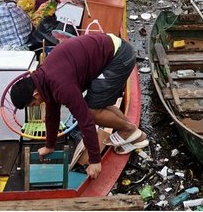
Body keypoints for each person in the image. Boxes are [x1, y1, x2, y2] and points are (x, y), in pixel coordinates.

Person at [10, 33, 147, 180]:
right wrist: (49, 145)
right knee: (98, 103)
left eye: (33, 104)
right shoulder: (43, 79)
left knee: (91, 111)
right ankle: (135, 133)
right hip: (110, 52)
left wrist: (95, 160)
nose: (36, 105)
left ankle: (128, 130)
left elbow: (85, 120)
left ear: (36, 94)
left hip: (119, 57)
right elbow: (52, 113)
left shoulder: (61, 86)